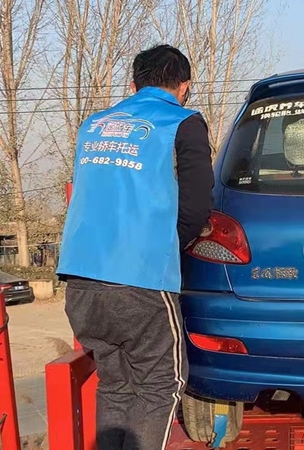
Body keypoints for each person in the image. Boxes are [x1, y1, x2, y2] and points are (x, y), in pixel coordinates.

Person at [56, 44, 214, 450]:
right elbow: (197, 205)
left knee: (116, 386)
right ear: (185, 87)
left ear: (133, 84)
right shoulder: (183, 122)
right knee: (162, 384)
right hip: (140, 280)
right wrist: (164, 247)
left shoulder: (94, 124)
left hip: (80, 281)